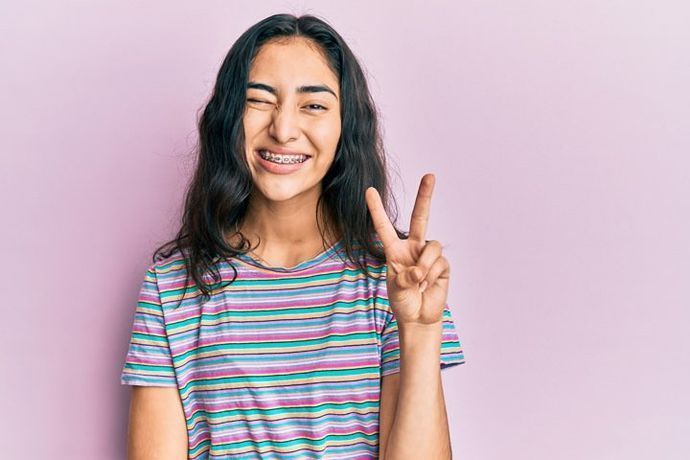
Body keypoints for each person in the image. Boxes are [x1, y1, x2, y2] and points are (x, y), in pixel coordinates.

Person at [120, 12, 465, 460]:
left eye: (314, 105)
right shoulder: (171, 287)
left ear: (346, 127)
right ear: (229, 117)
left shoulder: (397, 279)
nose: (283, 129)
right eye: (259, 100)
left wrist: (420, 330)